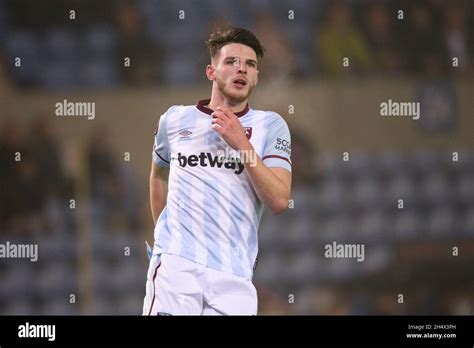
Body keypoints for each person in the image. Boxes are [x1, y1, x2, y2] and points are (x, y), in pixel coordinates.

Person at [143, 28, 292, 315]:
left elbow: (279, 200)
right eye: (232, 62)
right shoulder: (174, 120)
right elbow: (158, 174)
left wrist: (241, 143)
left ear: (257, 77)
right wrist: (166, 237)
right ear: (211, 71)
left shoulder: (270, 126)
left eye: (250, 65)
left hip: (234, 275)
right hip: (177, 266)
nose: (242, 69)